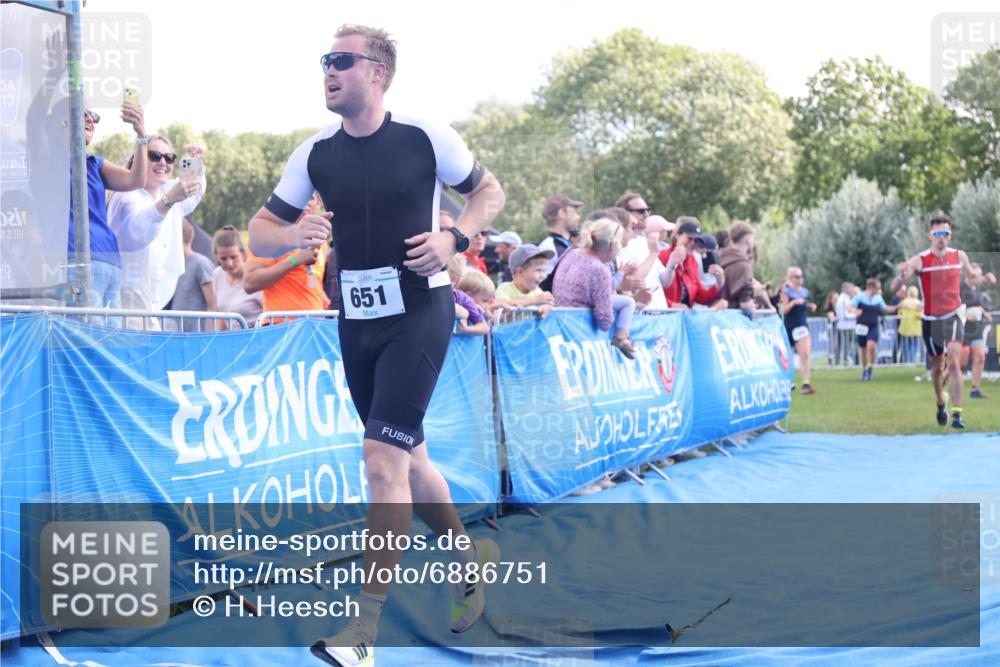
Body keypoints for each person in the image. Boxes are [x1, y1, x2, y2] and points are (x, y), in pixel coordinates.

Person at [246, 25, 506, 665]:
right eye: (324, 62)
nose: (328, 72)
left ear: (378, 72)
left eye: (341, 61)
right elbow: (260, 230)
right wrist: (293, 233)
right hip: (356, 322)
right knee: (409, 459)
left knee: (381, 462)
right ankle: (468, 560)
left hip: (420, 308)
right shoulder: (312, 155)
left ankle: (362, 632)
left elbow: (488, 192)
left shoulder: (424, 136)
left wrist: (457, 239)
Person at [891, 214, 981, 429]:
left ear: (950, 236)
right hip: (930, 320)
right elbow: (894, 287)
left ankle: (957, 413)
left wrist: (981, 278)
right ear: (930, 235)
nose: (941, 238)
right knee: (936, 366)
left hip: (952, 315)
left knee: (953, 358)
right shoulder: (920, 260)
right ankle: (941, 401)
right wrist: (902, 276)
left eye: (945, 234)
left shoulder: (959, 256)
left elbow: (971, 277)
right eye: (938, 234)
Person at [108, 138, 206, 329]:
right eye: (155, 156)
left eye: (169, 158)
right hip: (127, 298)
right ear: (138, 159)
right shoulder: (127, 196)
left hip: (151, 302)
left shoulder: (164, 190)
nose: (163, 162)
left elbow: (193, 191)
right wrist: (167, 202)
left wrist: (195, 161)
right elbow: (136, 234)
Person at [68, 103, 149, 321]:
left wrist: (141, 134)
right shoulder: (48, 159)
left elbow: (136, 180)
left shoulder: (94, 163)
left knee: (109, 337)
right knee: (86, 340)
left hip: (109, 261)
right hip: (77, 258)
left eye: (93, 115)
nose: (89, 120)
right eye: (82, 113)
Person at [553, 218, 637, 359]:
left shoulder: (570, 253)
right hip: (579, 330)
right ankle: (621, 337)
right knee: (629, 302)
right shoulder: (599, 269)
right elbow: (604, 321)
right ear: (612, 246)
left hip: (559, 321)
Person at [616, 192, 669, 310]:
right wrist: (653, 254)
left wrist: (673, 264)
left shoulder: (645, 241)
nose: (646, 215)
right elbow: (630, 282)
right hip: (639, 318)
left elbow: (664, 282)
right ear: (625, 214)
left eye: (647, 210)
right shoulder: (619, 244)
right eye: (641, 211)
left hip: (660, 315)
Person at [658, 218, 725, 309]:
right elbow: (652, 291)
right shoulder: (662, 256)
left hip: (682, 319)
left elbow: (701, 297)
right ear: (677, 235)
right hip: (663, 318)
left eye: (696, 240)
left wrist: (719, 282)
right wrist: (672, 305)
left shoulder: (692, 261)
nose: (692, 243)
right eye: (689, 238)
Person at [168, 218, 218, 331]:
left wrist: (208, 336)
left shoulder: (200, 264)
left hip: (196, 337)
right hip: (178, 335)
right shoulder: (178, 265)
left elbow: (213, 305)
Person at [211, 225, 263, 329]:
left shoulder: (256, 275)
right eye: (223, 259)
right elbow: (219, 313)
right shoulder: (217, 274)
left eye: (233, 257)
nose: (229, 263)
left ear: (243, 254)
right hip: (232, 339)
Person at [960, 263, 997, 398]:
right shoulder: (960, 288)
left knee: (980, 357)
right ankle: (942, 379)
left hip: (976, 328)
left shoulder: (977, 288)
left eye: (981, 273)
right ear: (969, 274)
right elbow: (954, 309)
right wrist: (965, 316)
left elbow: (976, 304)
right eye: (978, 274)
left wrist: (984, 313)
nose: (980, 276)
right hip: (963, 329)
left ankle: (975, 390)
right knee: (961, 364)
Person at [850, 278, 897, 381]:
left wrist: (897, 307)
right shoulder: (859, 297)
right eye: (878, 287)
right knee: (863, 349)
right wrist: (855, 311)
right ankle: (865, 369)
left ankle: (870, 367)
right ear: (872, 287)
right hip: (861, 326)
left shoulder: (878, 298)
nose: (879, 289)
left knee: (871, 346)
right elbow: (849, 307)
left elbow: (885, 308)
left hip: (873, 326)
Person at [780, 266, 818, 394]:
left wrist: (809, 306)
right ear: (790, 278)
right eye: (797, 276)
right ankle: (786, 382)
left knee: (805, 354)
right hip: (788, 326)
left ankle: (806, 384)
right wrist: (793, 303)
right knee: (785, 357)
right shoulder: (786, 292)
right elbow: (783, 310)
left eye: (801, 276)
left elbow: (803, 304)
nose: (800, 279)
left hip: (801, 326)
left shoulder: (805, 292)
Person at [495, 243, 555, 317]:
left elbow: (549, 306)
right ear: (520, 272)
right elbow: (503, 305)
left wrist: (547, 307)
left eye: (543, 271)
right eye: (538, 270)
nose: (544, 276)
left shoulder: (537, 291)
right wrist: (534, 300)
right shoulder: (505, 288)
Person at [719, 221, 760, 315]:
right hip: (736, 322)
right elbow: (745, 304)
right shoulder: (743, 265)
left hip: (718, 319)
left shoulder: (719, 257)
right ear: (748, 240)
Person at [537, 194, 582, 280]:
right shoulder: (549, 248)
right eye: (574, 212)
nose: (578, 217)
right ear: (561, 213)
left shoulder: (567, 245)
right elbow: (543, 286)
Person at [454, 270, 494, 335]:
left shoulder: (476, 309)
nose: (487, 305)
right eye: (484, 301)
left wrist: (466, 329)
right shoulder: (473, 307)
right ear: (469, 296)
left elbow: (485, 327)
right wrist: (466, 329)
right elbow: (485, 328)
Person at [896, 286, 924, 365]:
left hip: (905, 328)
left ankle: (906, 361)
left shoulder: (903, 302)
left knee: (905, 346)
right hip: (916, 328)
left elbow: (899, 314)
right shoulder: (919, 303)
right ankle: (911, 361)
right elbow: (921, 315)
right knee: (914, 346)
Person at [833, 283, 859, 366]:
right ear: (846, 289)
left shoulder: (845, 299)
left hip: (847, 325)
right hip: (847, 325)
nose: (852, 290)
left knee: (849, 343)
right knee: (848, 344)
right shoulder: (843, 300)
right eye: (851, 288)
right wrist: (856, 315)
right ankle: (847, 359)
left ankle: (848, 359)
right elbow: (844, 314)